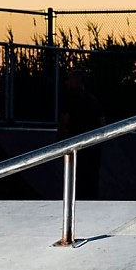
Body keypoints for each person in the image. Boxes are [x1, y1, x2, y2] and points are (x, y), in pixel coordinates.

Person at [58, 68, 106, 199]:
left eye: (69, 80)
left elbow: (64, 120)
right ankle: (91, 200)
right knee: (91, 178)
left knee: (76, 177)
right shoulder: (93, 99)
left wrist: (59, 140)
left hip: (76, 143)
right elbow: (102, 122)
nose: (66, 83)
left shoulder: (70, 98)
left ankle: (77, 199)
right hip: (93, 145)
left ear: (76, 82)